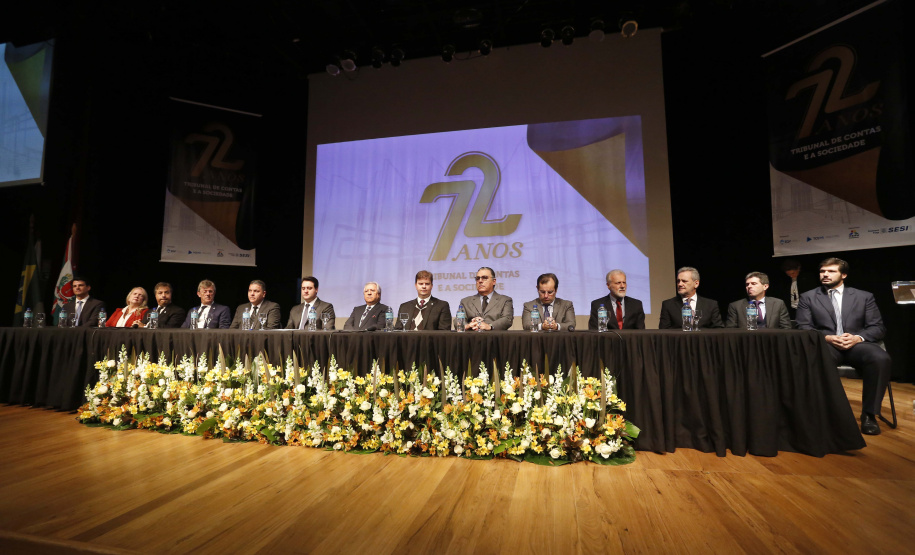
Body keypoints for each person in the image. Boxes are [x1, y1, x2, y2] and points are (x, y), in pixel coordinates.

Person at [796, 257, 892, 435]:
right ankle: (827, 414)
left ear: (844, 275)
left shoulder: (864, 296)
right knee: (814, 358)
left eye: (831, 271)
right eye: (822, 271)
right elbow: (803, 327)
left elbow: (878, 328)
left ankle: (869, 415)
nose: (825, 274)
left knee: (881, 358)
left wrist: (857, 338)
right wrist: (828, 338)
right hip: (827, 344)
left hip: (857, 345)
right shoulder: (808, 297)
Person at [658, 266, 723, 329]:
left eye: (684, 281)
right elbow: (663, 332)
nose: (680, 284)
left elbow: (718, 330)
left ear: (696, 283)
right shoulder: (668, 305)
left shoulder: (711, 305)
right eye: (678, 281)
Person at [726, 272, 791, 329]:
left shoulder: (778, 304)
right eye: (747, 284)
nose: (749, 286)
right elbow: (731, 330)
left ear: (765, 286)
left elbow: (786, 328)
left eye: (754, 283)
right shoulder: (736, 306)